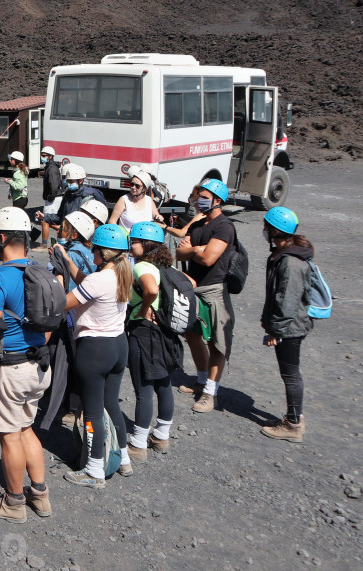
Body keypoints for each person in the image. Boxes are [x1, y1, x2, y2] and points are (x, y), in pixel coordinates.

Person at [0, 207, 53, 523]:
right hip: (39, 367)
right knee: (26, 427)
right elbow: (49, 323)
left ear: (1, 237)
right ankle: (40, 496)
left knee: (9, 435)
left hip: (10, 369)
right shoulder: (42, 271)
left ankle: (14, 503)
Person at [60, 224, 133, 487]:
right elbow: (87, 284)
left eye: (94, 250)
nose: (92, 255)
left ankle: (94, 470)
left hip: (94, 349)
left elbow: (63, 303)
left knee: (92, 412)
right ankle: (123, 458)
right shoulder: (123, 274)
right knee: (112, 405)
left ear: (104, 253)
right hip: (118, 345)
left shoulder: (98, 279)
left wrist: (58, 279)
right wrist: (68, 262)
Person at [175, 178, 236, 413]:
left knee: (216, 342)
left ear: (217, 201)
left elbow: (209, 258)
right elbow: (179, 254)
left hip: (214, 290)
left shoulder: (224, 227)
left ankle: (210, 393)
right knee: (191, 334)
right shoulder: (198, 224)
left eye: (204, 197)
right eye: (198, 195)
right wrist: (194, 250)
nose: (199, 201)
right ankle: (201, 380)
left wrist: (194, 252)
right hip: (193, 287)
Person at [125, 222, 184, 461]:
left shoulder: (143, 268)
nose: (131, 245)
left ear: (145, 245)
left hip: (144, 332)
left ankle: (138, 444)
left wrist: (144, 309)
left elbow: (150, 290)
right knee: (163, 385)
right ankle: (161, 436)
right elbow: (191, 283)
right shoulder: (166, 268)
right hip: (165, 332)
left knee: (143, 389)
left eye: (134, 241)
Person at [259, 207, 314, 442]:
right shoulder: (286, 254)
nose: (264, 231)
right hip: (291, 324)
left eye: (267, 228)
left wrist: (275, 331)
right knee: (290, 373)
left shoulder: (290, 263)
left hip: (291, 326)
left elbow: (287, 302)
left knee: (290, 374)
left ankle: (293, 424)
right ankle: (293, 418)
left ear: (275, 231)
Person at [45, 210, 97, 429]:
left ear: (75, 234)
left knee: (62, 361)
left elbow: (57, 283)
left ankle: (65, 407)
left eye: (65, 228)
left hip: (67, 314)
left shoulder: (71, 254)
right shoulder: (88, 252)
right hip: (80, 314)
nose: (61, 230)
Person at [36, 164, 105, 236]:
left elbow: (89, 225)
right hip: (68, 236)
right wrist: (44, 216)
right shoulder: (67, 195)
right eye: (67, 181)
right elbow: (60, 217)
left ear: (80, 181)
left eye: (71, 181)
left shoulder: (89, 198)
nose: (68, 184)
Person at [38, 146, 62, 247]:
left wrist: (50, 197)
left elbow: (54, 185)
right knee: (46, 220)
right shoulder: (50, 167)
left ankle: (43, 245)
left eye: (44, 155)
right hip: (54, 197)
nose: (42, 157)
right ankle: (62, 230)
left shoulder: (51, 169)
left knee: (45, 220)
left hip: (53, 198)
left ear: (51, 156)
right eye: (42, 155)